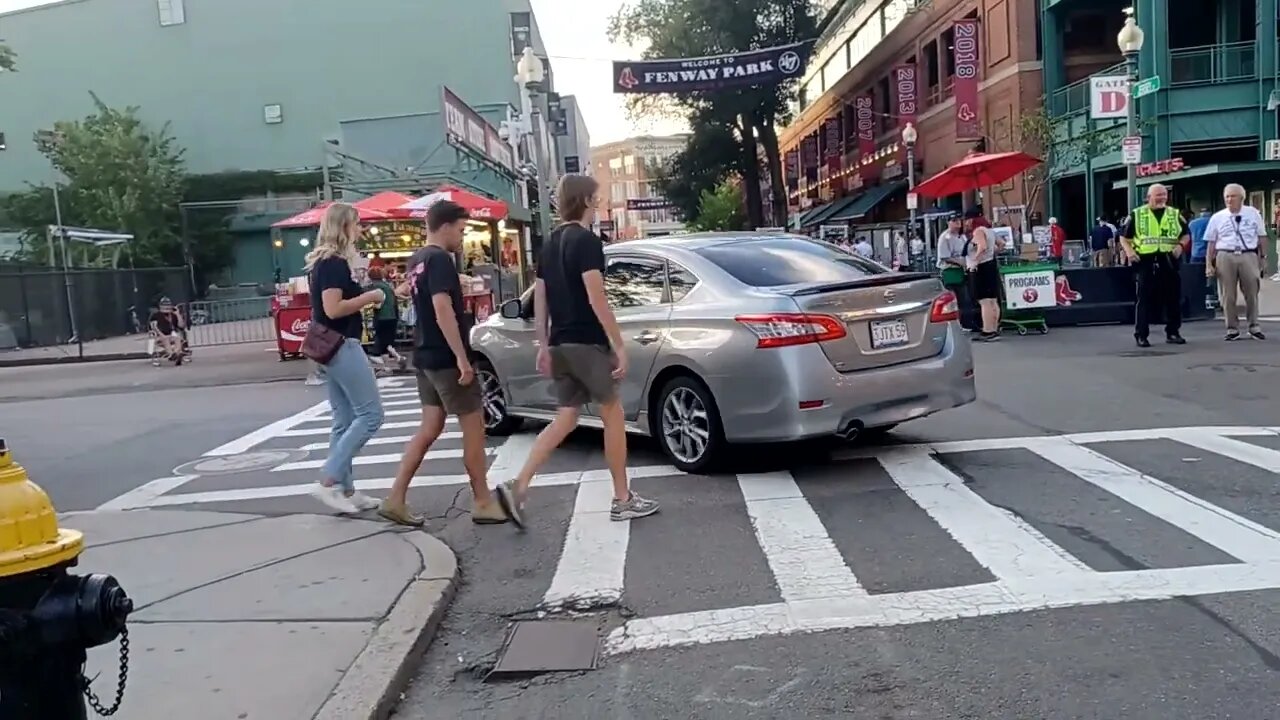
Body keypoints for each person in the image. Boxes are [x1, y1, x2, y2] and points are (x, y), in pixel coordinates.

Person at [493, 174, 660, 528]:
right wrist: (618, 344)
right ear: (585, 201)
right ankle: (622, 499)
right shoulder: (586, 242)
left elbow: (540, 296)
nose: (599, 203)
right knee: (612, 415)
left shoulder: (550, 244)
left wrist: (543, 343)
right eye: (596, 197)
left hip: (561, 345)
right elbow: (596, 297)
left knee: (566, 418)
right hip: (587, 342)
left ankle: (518, 486)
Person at [380, 200, 507, 527]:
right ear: (446, 225)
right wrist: (463, 359)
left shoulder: (418, 259)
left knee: (430, 427)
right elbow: (443, 310)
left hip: (424, 354)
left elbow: (411, 293)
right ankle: (482, 500)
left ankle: (395, 497)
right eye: (462, 230)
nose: (463, 238)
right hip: (446, 356)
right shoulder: (439, 260)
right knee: (474, 428)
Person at [305, 202, 388, 514]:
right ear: (343, 227)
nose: (361, 229)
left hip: (331, 347)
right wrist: (371, 296)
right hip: (342, 345)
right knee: (371, 416)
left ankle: (345, 489)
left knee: (344, 420)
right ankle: (328, 481)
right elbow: (333, 309)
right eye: (356, 224)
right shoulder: (333, 263)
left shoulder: (327, 262)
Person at [1119, 183, 1189, 348]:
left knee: (1173, 297)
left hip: (1168, 258)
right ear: (1148, 197)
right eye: (1158, 195)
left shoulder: (1175, 214)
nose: (1162, 198)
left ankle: (1173, 332)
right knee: (1144, 298)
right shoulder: (1137, 214)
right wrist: (1129, 252)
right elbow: (1124, 237)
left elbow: (1185, 234)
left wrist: (1180, 246)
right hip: (1145, 259)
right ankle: (1141, 335)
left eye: (1164, 195)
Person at [1205, 183, 1268, 341]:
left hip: (1248, 255)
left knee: (1252, 290)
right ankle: (1232, 328)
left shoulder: (1253, 213)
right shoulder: (1217, 217)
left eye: (1233, 196)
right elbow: (1211, 242)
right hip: (1225, 255)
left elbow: (1261, 236)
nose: (1229, 199)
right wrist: (1209, 263)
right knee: (1228, 294)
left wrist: (1263, 257)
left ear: (1242, 198)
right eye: (1226, 196)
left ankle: (1254, 326)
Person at [965, 209, 1003, 342]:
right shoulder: (990, 230)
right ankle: (994, 328)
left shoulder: (978, 231)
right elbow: (1002, 244)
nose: (966, 223)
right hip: (991, 265)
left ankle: (987, 330)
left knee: (984, 301)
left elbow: (982, 246)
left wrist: (975, 260)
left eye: (967, 220)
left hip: (982, 268)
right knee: (993, 300)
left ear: (972, 220)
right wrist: (992, 253)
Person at [936, 213, 977, 331]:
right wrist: (960, 262)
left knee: (965, 298)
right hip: (950, 270)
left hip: (962, 270)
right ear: (949, 223)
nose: (957, 223)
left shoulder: (962, 237)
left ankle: (968, 322)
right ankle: (957, 324)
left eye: (959, 220)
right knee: (954, 298)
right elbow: (945, 257)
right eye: (954, 221)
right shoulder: (945, 238)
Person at [365, 266, 405, 371]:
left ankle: (383, 364)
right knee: (387, 342)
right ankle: (394, 361)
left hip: (381, 317)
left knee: (380, 342)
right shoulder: (387, 286)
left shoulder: (373, 286)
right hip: (392, 317)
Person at [149, 297, 185, 365]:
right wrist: (161, 335)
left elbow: (181, 326)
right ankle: (171, 354)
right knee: (165, 339)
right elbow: (154, 327)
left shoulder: (173, 316)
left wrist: (178, 314)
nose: (167, 308)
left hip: (171, 335)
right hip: (160, 336)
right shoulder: (156, 315)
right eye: (165, 306)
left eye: (168, 306)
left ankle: (177, 354)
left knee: (177, 338)